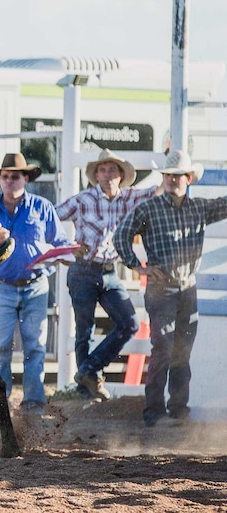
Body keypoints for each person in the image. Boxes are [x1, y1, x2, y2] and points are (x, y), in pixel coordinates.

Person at [114, 150, 227, 427]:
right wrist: (137, 266)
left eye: (177, 176)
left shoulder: (199, 208)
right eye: (169, 176)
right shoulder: (148, 209)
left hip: (187, 288)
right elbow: (121, 236)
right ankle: (155, 412)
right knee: (164, 349)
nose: (173, 180)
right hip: (162, 289)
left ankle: (177, 410)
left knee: (181, 353)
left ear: (188, 178)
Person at [0, 153, 71, 416]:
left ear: (25, 178)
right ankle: (1, 399)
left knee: (35, 346)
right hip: (1, 285)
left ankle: (33, 402)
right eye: (6, 176)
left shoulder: (43, 207)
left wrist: (63, 254)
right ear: (0, 179)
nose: (10, 181)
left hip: (35, 284)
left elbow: (61, 243)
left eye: (15, 176)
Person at [55, 149, 161, 401]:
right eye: (102, 170)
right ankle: (86, 391)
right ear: (96, 175)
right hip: (83, 270)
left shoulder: (128, 198)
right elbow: (51, 217)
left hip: (109, 270)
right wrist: (65, 249)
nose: (107, 175)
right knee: (84, 329)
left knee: (129, 322)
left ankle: (89, 370)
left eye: (112, 169)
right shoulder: (83, 199)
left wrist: (168, 164)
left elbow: (156, 189)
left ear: (121, 175)